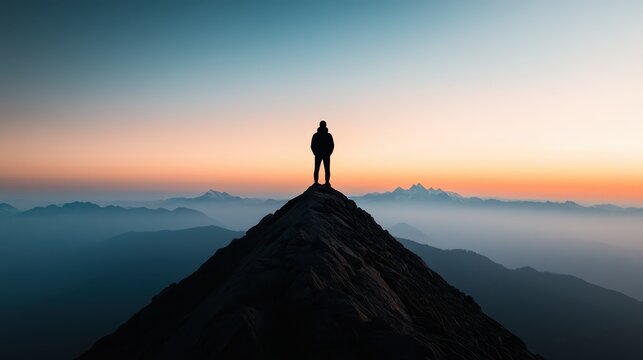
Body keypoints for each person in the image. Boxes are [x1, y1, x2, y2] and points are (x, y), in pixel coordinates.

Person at [311, 120, 334, 186]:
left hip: (323, 154)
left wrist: (329, 152)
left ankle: (324, 182)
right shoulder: (326, 135)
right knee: (322, 169)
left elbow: (332, 145)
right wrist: (315, 153)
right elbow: (312, 145)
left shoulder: (317, 135)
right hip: (322, 154)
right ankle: (319, 182)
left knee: (320, 169)